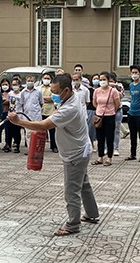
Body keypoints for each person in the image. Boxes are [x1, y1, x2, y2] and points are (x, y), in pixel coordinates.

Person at [9, 73, 99, 236]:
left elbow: (44, 126)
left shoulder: (69, 108)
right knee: (83, 184)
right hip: (81, 149)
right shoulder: (74, 97)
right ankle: (92, 214)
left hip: (75, 154)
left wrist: (18, 122)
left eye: (56, 92)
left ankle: (73, 224)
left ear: (66, 90)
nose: (53, 95)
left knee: (71, 190)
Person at [92, 72, 120, 166]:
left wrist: (110, 110)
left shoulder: (113, 91)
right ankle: (100, 157)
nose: (102, 81)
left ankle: (109, 157)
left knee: (109, 137)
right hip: (99, 116)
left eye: (104, 79)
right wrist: (99, 110)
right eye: (100, 80)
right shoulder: (97, 91)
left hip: (110, 116)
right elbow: (95, 103)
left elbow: (117, 104)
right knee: (100, 138)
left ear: (108, 80)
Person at [125, 65, 140, 162]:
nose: (134, 75)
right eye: (132, 73)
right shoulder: (131, 85)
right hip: (131, 112)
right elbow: (132, 97)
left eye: (136, 73)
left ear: (139, 73)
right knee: (133, 134)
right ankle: (133, 154)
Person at [39, 73, 58, 153]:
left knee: (52, 130)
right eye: (45, 78)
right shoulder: (38, 88)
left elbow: (54, 98)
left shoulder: (53, 88)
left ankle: (54, 146)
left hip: (51, 111)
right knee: (40, 130)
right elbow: (38, 98)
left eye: (48, 78)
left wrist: (43, 98)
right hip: (41, 111)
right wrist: (47, 99)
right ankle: (40, 146)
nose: (46, 80)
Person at [5, 78, 23, 152]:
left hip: (18, 115)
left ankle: (16, 145)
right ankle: (8, 145)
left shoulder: (22, 94)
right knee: (9, 131)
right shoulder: (10, 94)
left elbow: (23, 105)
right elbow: (8, 103)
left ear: (19, 86)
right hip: (10, 115)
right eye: (13, 85)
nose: (14, 86)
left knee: (16, 132)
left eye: (16, 84)